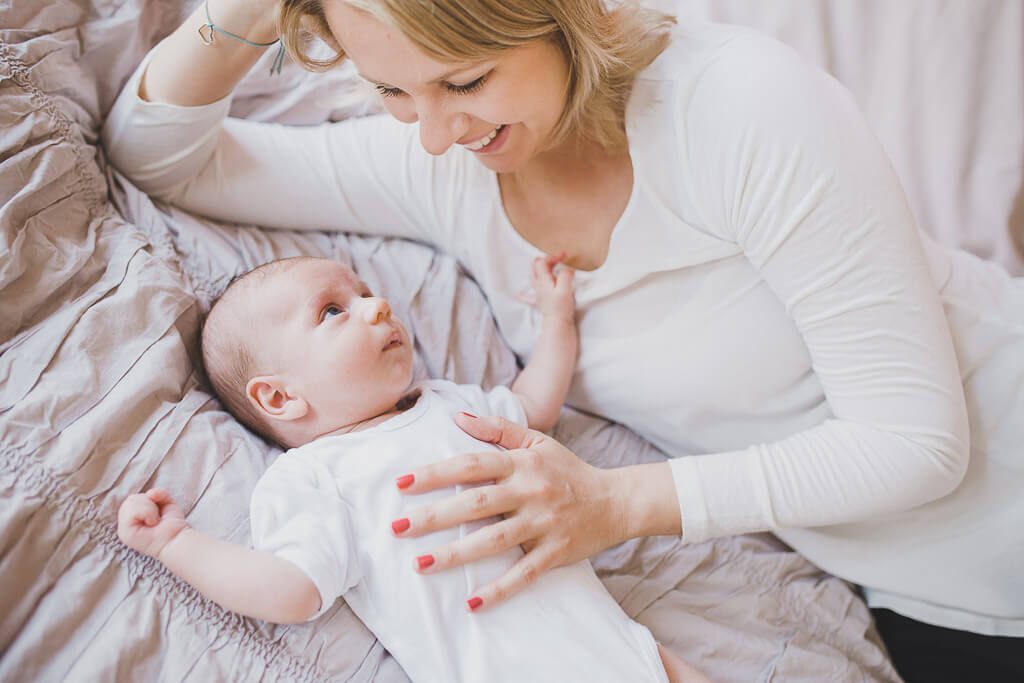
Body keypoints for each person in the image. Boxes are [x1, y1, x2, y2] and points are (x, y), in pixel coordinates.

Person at [101, 0, 1024, 679]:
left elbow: (917, 445)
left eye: (463, 80)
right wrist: (249, 8)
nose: (430, 133)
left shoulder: (741, 106)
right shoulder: (455, 162)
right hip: (897, 587)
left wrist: (614, 504)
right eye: (391, 89)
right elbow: (160, 156)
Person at [116, 255, 709, 683]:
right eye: (331, 311)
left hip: (627, 650)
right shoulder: (315, 476)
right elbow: (292, 590)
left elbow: (534, 407)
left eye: (366, 291)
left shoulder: (447, 403)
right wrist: (176, 543)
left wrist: (558, 322)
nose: (378, 306)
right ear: (280, 398)